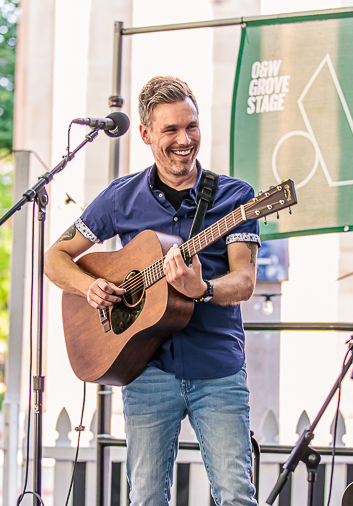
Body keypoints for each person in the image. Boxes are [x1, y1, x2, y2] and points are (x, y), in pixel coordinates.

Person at [44, 76, 260, 506]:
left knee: (235, 494)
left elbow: (244, 281)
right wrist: (91, 287)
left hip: (216, 368)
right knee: (145, 497)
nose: (185, 140)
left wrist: (202, 289)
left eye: (192, 127)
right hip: (145, 369)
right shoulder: (119, 198)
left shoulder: (237, 197)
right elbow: (56, 258)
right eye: (171, 130)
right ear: (145, 134)